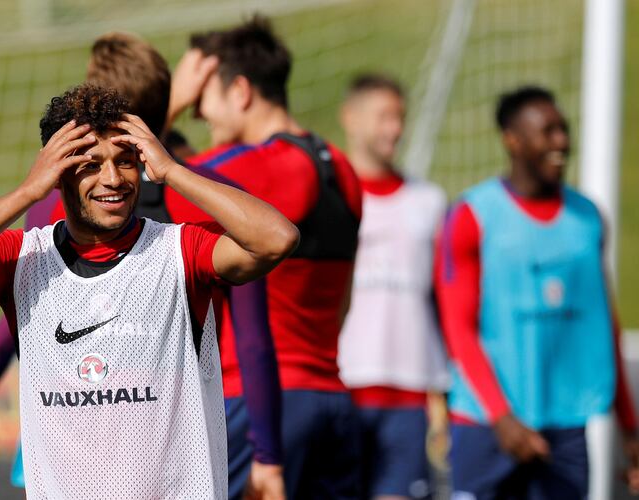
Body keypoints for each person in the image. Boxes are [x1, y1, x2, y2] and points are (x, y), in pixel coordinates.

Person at [0, 32, 286, 499]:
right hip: (99, 428)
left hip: (166, 443)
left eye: (124, 160)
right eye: (92, 160)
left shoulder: (181, 235)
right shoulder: (207, 194)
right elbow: (255, 337)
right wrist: (269, 454)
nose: (111, 179)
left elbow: (5, 335)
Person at [167, 15, 363, 499]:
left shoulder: (264, 169)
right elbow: (345, 300)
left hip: (260, 408)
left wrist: (166, 104)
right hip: (332, 400)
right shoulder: (342, 167)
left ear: (241, 91)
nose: (200, 118)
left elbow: (144, 180)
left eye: (202, 102)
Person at [435, 85, 639, 499]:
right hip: (485, 426)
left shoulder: (587, 218)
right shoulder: (472, 215)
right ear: (512, 139)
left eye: (563, 129)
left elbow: (605, 327)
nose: (562, 141)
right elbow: (457, 328)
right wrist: (501, 417)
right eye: (547, 131)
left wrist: (629, 426)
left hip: (563, 428)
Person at [336, 74, 448, 500]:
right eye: (383, 116)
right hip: (343, 383)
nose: (395, 129)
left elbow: (445, 300)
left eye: (399, 117)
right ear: (351, 118)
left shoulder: (431, 201)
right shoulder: (328, 196)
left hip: (412, 389)